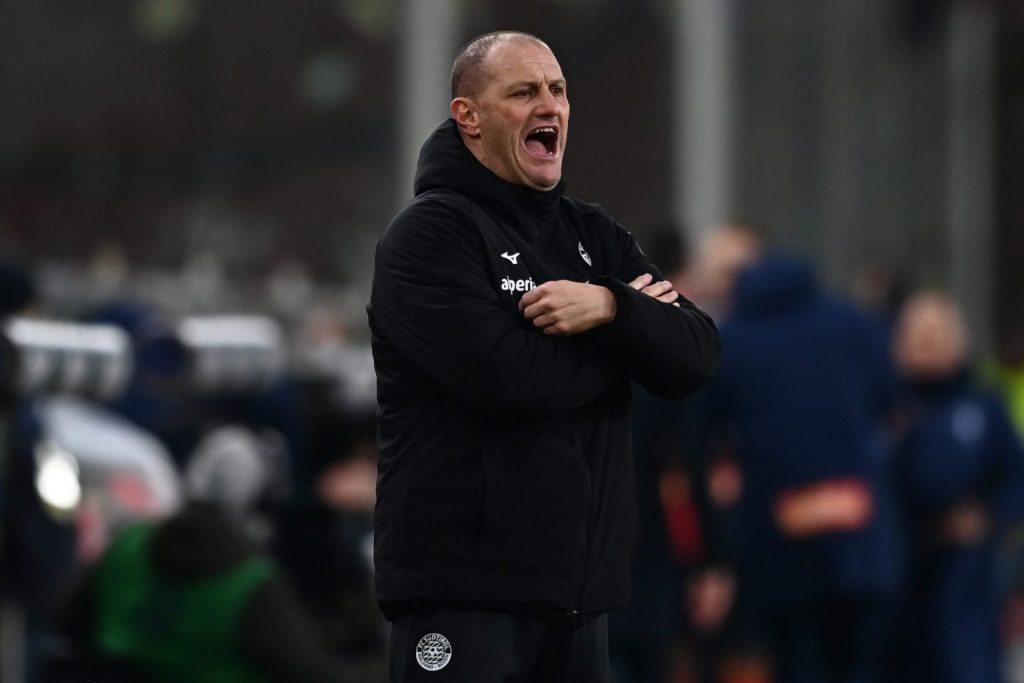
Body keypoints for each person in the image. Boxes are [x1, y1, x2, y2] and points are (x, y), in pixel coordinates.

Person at [367, 31, 720, 682]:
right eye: (524, 91)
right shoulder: (429, 234)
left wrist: (609, 307)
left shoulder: (592, 233)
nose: (549, 105)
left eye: (557, 90)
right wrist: (628, 345)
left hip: (579, 601)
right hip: (462, 596)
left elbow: (697, 354)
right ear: (469, 116)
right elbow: (508, 378)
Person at [886, 292, 1024, 683]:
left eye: (938, 333)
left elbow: (1015, 476)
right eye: (919, 333)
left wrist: (989, 517)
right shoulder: (885, 405)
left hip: (967, 578)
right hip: (900, 573)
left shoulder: (983, 404)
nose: (928, 343)